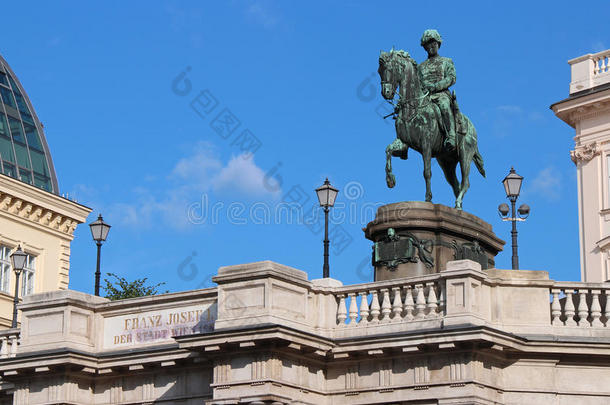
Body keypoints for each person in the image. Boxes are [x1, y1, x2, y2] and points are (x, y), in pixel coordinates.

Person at [417, 29, 457, 149]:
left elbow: (451, 78)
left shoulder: (446, 61)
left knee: (444, 106)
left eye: (433, 43)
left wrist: (436, 86)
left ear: (438, 44)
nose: (431, 46)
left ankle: (451, 136)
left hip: (441, 94)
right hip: (425, 97)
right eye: (428, 44)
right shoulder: (420, 67)